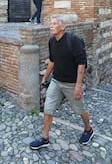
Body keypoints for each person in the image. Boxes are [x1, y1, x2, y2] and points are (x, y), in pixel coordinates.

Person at [30, 17, 93, 150]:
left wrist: (78, 86)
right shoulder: (52, 41)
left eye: (54, 24)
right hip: (56, 81)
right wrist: (45, 77)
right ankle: (45, 137)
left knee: (79, 109)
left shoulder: (74, 41)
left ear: (63, 27)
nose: (51, 26)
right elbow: (52, 61)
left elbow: (81, 64)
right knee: (48, 108)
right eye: (50, 24)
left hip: (71, 83)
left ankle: (88, 129)